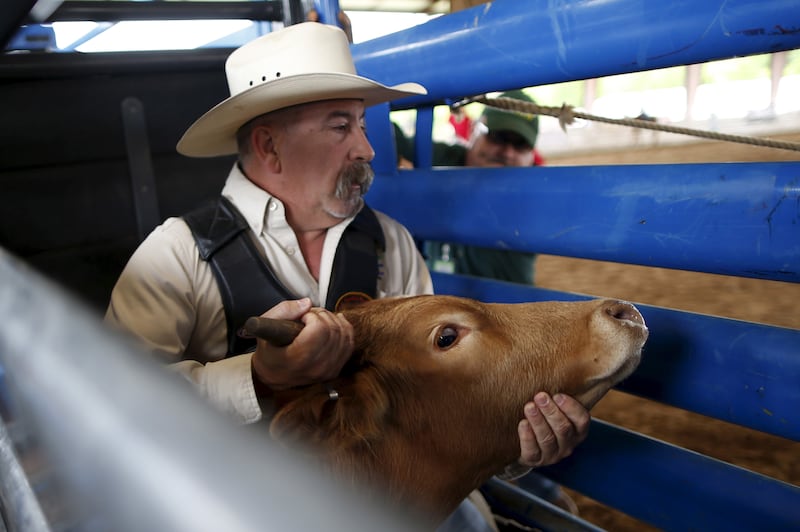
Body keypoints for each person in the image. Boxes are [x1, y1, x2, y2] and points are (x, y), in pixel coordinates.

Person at [105, 23, 589, 529]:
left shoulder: (390, 243)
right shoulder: (175, 256)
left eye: (360, 124)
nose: (367, 149)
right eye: (341, 128)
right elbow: (111, 407)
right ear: (269, 146)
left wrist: (517, 447)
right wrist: (259, 378)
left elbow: (436, 406)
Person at [398, 90, 543, 285]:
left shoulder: (537, 192)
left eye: (520, 145)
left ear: (532, 157)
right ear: (476, 131)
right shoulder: (447, 159)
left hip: (498, 305)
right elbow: (387, 136)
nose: (507, 152)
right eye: (498, 138)